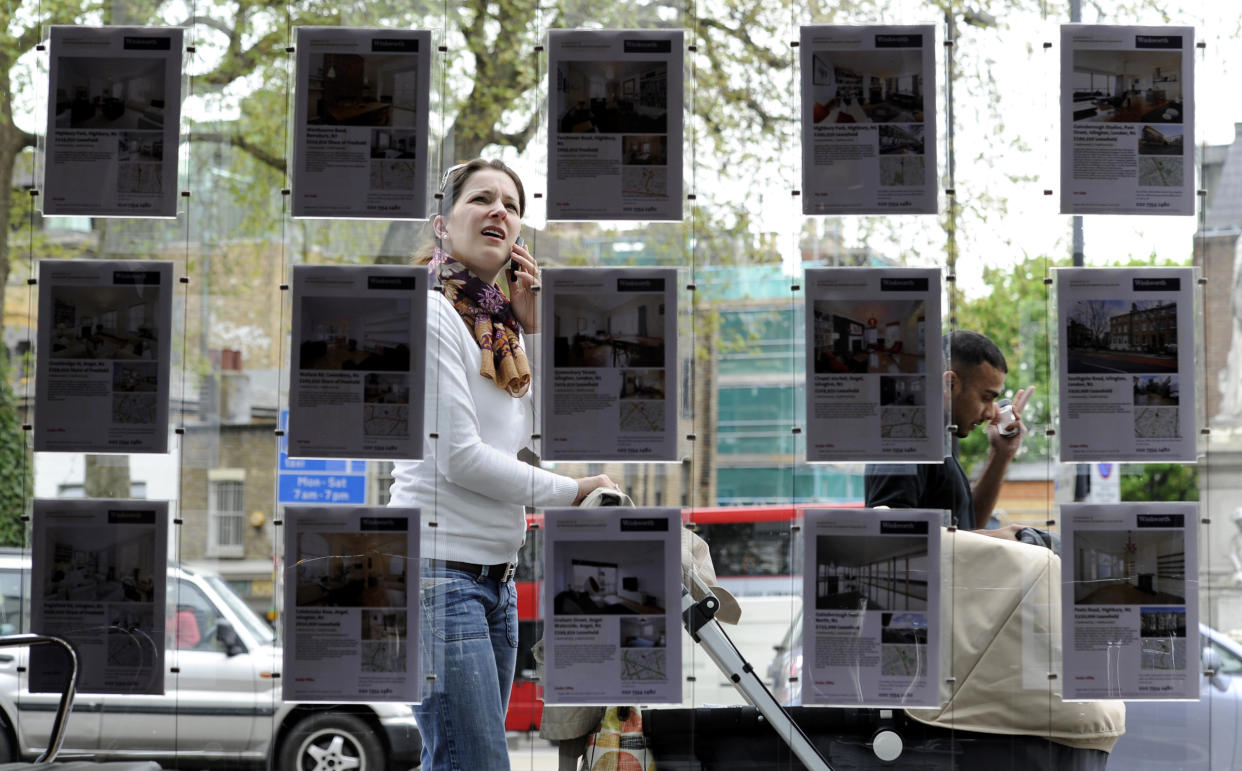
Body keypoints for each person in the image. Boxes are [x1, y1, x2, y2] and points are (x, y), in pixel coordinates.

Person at [389, 159, 617, 770]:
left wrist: (535, 328)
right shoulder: (432, 313)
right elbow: (461, 458)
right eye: (482, 199)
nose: (500, 211)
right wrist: (573, 493)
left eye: (511, 205)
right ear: (442, 226)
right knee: (476, 762)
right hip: (438, 574)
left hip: (494, 577)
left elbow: (543, 433)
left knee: (465, 761)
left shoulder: (500, 327)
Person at [864, 329, 1034, 535]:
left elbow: (968, 523)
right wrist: (998, 537)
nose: (991, 412)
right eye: (986, 397)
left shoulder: (936, 438)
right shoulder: (907, 437)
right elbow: (892, 534)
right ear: (949, 384)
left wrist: (1001, 454)